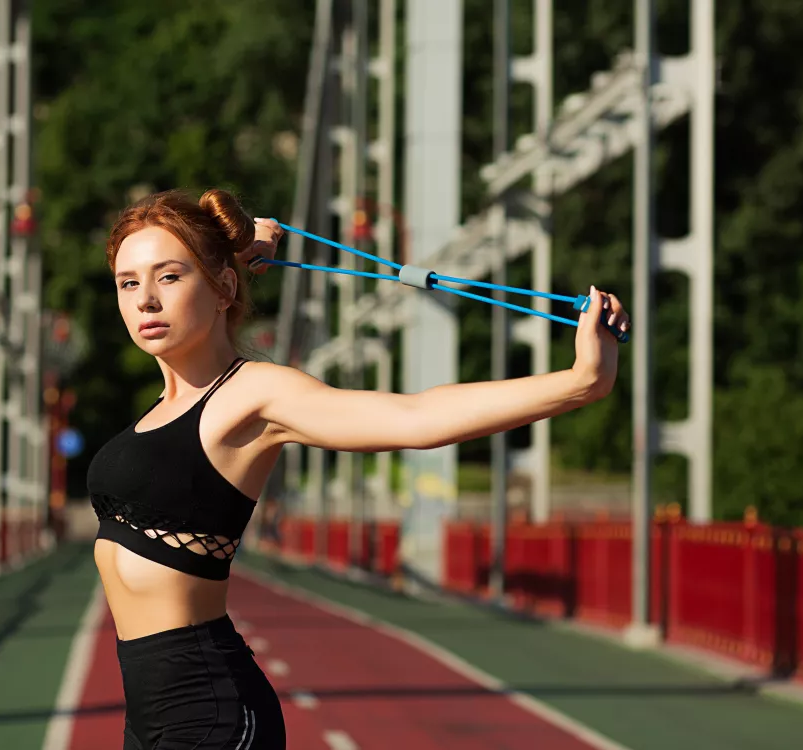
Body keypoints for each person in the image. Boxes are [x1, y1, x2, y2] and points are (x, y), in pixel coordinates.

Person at [85, 187, 631, 750]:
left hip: (208, 710)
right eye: (129, 283)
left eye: (169, 277)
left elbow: (417, 417)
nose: (146, 300)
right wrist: (233, 254)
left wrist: (578, 383)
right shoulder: (161, 408)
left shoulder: (256, 393)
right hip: (150, 713)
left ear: (223, 288)